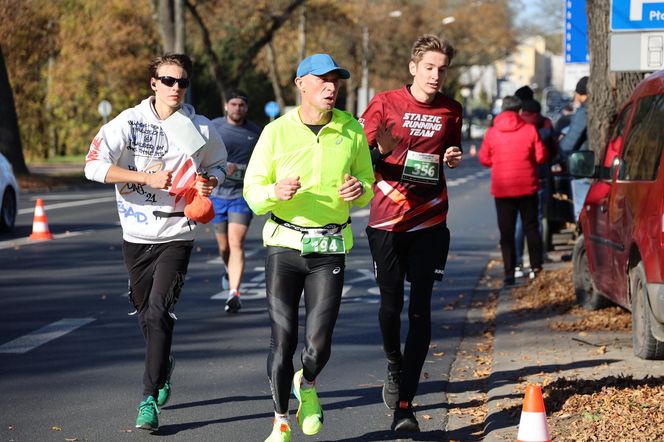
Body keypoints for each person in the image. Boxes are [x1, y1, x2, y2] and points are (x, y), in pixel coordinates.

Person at [84, 53, 227, 431]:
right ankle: (163, 366)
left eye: (182, 82)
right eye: (168, 80)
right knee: (146, 313)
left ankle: (148, 398)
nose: (175, 88)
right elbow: (93, 165)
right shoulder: (128, 122)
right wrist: (144, 178)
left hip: (177, 234)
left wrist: (210, 182)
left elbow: (218, 166)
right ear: (153, 83)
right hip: (135, 234)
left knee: (159, 311)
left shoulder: (200, 128)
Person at [243, 53, 374, 442]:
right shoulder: (276, 132)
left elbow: (367, 182)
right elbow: (252, 192)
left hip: (330, 246)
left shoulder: (352, 131)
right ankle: (280, 420)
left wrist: (359, 191)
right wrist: (274, 191)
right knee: (282, 341)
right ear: (301, 83)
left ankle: (310, 383)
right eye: (322, 80)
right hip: (284, 244)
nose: (331, 87)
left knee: (319, 345)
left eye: (336, 80)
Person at [359, 34, 463, 433]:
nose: (436, 75)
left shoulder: (452, 109)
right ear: (414, 68)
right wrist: (381, 152)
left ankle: (405, 406)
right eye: (430, 68)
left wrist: (452, 158)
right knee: (390, 306)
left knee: (420, 309)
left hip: (431, 220)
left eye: (442, 69)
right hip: (387, 220)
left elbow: (450, 154)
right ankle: (392, 361)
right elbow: (362, 158)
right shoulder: (385, 103)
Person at [479, 95, 547, 284]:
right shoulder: (530, 129)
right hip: (528, 185)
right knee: (531, 228)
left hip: (502, 188)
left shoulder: (492, 133)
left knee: (506, 232)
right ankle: (536, 268)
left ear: (502, 110)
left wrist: (498, 162)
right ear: (519, 111)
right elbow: (541, 156)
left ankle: (509, 272)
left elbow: (484, 159)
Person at [210, 89, 262, 313]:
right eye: (233, 104)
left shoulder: (255, 132)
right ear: (226, 106)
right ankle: (227, 267)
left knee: (236, 243)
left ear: (246, 108)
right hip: (217, 194)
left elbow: (264, 160)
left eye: (241, 105)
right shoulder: (214, 127)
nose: (237, 108)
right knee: (224, 247)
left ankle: (234, 293)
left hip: (241, 195)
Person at [559, 76, 589, 158]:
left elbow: (568, 144)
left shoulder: (584, 112)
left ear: (579, 93)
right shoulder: (586, 109)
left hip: (582, 159)